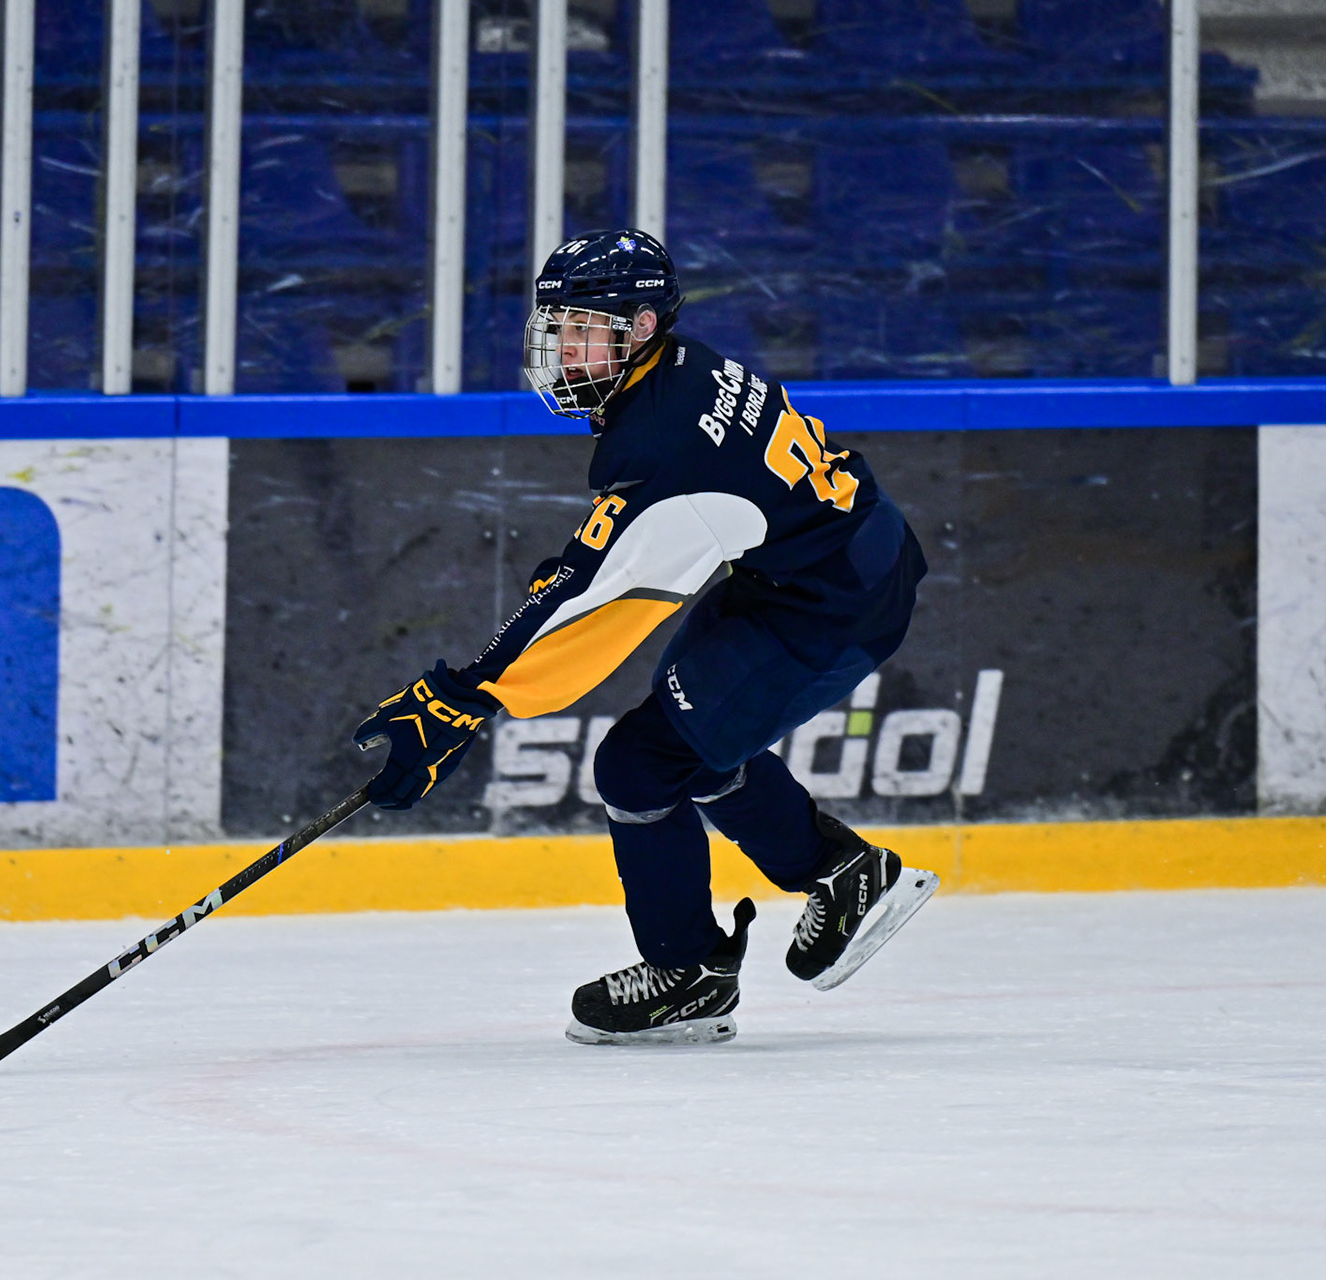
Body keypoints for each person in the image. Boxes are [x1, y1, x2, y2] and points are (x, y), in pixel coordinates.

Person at [353, 229, 936, 1045]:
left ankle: (689, 973)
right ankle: (843, 875)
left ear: (644, 326)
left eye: (583, 327)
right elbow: (615, 553)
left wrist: (462, 697)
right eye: (555, 325)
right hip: (829, 563)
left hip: (832, 603)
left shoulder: (662, 444)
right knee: (689, 744)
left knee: (639, 763)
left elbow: (596, 598)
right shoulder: (679, 369)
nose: (563, 346)